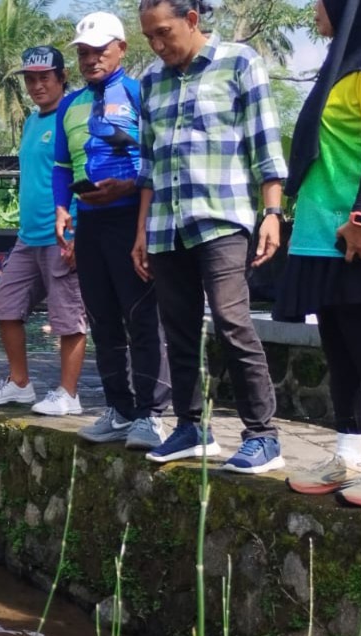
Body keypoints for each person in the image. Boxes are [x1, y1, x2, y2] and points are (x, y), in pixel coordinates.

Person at [133, 0, 289, 473]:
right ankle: (191, 427)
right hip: (165, 225)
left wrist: (273, 212)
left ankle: (263, 435)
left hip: (221, 219)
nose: (158, 45)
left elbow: (265, 142)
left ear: (192, 20)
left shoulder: (239, 62)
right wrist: (140, 230)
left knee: (231, 320)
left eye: (164, 33)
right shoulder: (150, 82)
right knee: (177, 328)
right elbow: (147, 166)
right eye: (150, 38)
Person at [276, 0, 361, 502]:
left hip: (359, 240)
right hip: (321, 240)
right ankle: (349, 454)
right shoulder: (337, 71)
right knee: (341, 353)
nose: (314, 8)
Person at [53, 13, 171, 447]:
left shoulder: (141, 93)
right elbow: (62, 167)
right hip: (91, 223)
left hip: (131, 218)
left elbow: (155, 159)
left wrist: (129, 185)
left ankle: (153, 414)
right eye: (83, 53)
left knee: (141, 316)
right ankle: (119, 409)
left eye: (100, 50)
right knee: (102, 320)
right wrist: (62, 210)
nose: (91, 59)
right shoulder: (70, 104)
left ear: (122, 47)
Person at [0, 45, 89, 417]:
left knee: (67, 318)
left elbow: (81, 172)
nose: (37, 85)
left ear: (61, 77)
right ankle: (20, 383)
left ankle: (68, 394)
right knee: (4, 306)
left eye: (44, 77)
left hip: (63, 234)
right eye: (30, 79)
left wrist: (75, 229)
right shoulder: (30, 121)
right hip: (28, 237)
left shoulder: (74, 115)